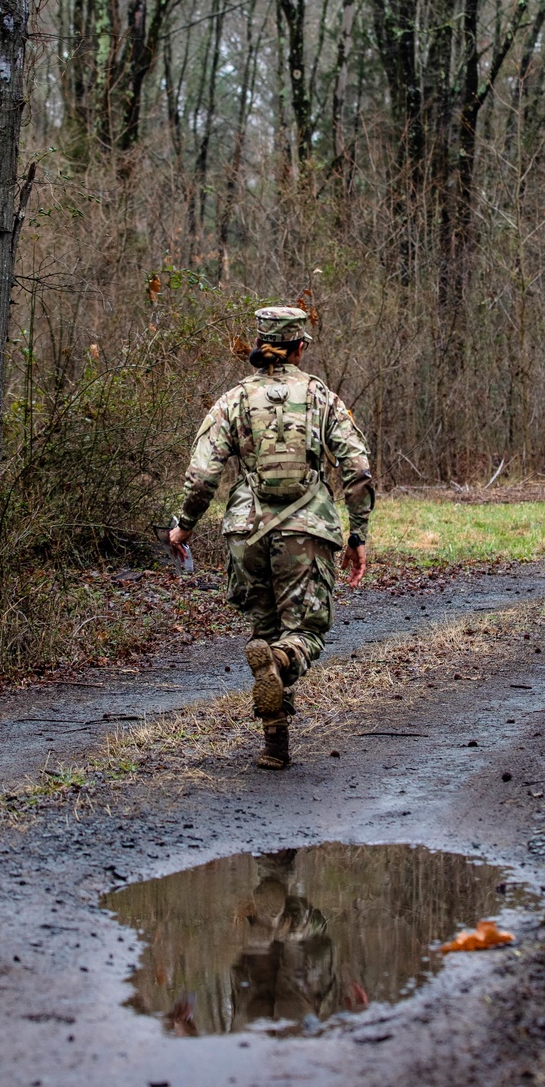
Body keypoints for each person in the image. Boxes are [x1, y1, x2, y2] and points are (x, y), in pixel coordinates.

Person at [168, 306, 374, 768]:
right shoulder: (322, 399)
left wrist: (184, 523)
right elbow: (357, 470)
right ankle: (281, 662)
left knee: (263, 631)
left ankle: (275, 747)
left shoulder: (234, 400)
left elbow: (203, 475)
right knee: (304, 632)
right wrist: (358, 533)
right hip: (307, 530)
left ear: (260, 347)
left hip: (247, 532)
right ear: (300, 347)